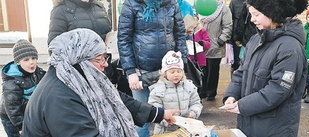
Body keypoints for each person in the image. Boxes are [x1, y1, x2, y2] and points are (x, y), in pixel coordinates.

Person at [21, 28, 179, 137]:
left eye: (105, 57)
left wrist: (159, 114)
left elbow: (116, 99)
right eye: (100, 59)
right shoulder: (60, 98)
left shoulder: (78, 78)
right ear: (80, 61)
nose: (105, 64)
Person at [222, 0, 309, 136]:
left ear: (272, 12)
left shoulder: (290, 48)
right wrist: (232, 94)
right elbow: (241, 72)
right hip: (249, 122)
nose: (252, 20)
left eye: (256, 14)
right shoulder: (255, 40)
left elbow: (278, 90)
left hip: (275, 128)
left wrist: (242, 106)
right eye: (251, 14)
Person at [117, 0, 188, 136]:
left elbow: (180, 35)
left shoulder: (172, 3)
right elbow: (123, 39)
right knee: (141, 117)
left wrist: (181, 64)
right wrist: (130, 71)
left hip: (168, 72)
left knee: (171, 119)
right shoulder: (132, 3)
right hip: (141, 71)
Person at [148, 50, 203, 135]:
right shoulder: (157, 90)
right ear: (165, 73)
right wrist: (166, 120)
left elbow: (196, 103)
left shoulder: (189, 87)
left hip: (186, 129)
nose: (176, 75)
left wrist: (193, 113)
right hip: (165, 131)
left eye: (179, 71)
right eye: (172, 72)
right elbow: (155, 109)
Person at [0, 39, 46, 137]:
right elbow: (12, 108)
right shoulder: (12, 83)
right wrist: (21, 127)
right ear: (18, 62)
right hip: (12, 120)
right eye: (26, 60)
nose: (32, 62)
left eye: (34, 58)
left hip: (27, 113)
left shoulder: (38, 73)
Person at [200, 0, 232, 101]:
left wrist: (221, 40)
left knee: (212, 71)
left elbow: (228, 26)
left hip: (215, 45)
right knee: (202, 70)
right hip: (202, 45)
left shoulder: (224, 9)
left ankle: (211, 92)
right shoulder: (203, 8)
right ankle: (202, 91)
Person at [47, 0, 112, 44]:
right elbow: (55, 45)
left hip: (103, 62)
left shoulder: (99, 7)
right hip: (77, 63)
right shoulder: (61, 11)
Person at [229, 0, 256, 77]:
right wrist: (236, 38)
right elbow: (238, 21)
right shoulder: (235, 2)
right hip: (244, 39)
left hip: (248, 38)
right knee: (238, 64)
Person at [187, 17, 211, 99]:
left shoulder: (202, 30)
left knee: (199, 79)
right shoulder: (186, 32)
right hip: (189, 59)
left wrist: (202, 43)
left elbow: (208, 44)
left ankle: (199, 97)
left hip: (200, 59)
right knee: (190, 79)